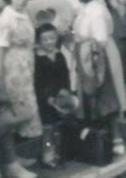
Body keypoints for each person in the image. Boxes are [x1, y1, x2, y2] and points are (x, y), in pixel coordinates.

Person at [73, 0, 126, 156]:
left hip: (98, 56)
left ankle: (116, 137)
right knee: (93, 96)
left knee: (105, 94)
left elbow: (100, 39)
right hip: (87, 54)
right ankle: (103, 136)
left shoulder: (95, 11)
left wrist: (81, 41)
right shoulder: (87, 9)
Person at [0, 0, 41, 178]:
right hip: (11, 72)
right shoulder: (5, 19)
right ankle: (10, 164)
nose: (22, 0)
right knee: (12, 115)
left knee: (22, 114)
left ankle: (14, 158)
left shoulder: (24, 14)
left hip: (25, 69)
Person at [33, 23, 74, 169]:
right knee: (48, 128)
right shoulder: (38, 59)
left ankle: (58, 152)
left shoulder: (59, 55)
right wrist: (46, 98)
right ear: (39, 42)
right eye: (45, 40)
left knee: (58, 126)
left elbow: (65, 75)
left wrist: (67, 90)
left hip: (60, 97)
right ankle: (48, 155)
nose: (50, 42)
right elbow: (38, 82)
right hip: (46, 100)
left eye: (52, 38)